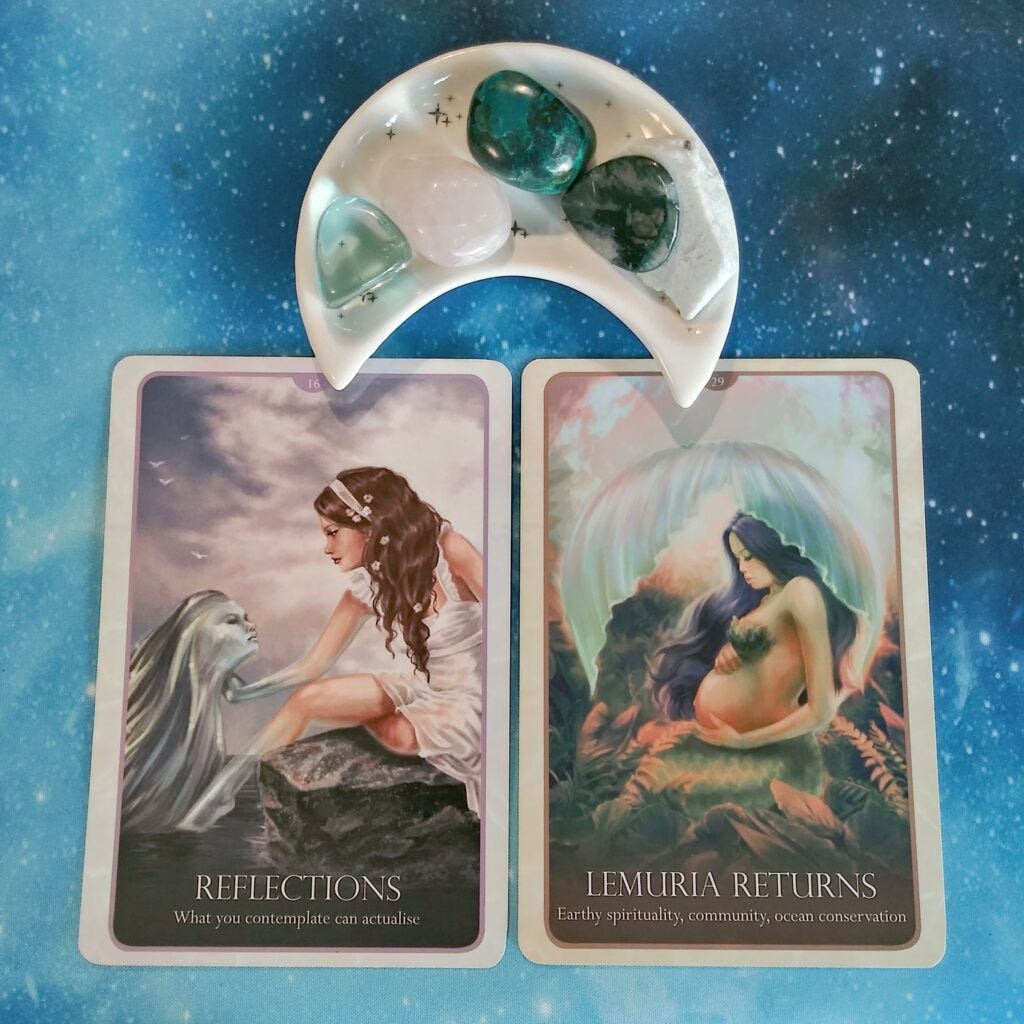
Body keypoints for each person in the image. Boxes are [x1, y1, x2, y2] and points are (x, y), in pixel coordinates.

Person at [177, 466, 484, 831]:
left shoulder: (449, 551)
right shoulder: (367, 589)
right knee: (307, 699)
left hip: (474, 695)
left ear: (371, 525)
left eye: (333, 532)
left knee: (397, 734)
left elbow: (515, 620)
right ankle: (220, 796)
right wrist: (244, 694)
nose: (327, 547)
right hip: (421, 686)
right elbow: (314, 664)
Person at [649, 512, 859, 749]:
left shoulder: (800, 590)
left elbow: (822, 710)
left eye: (748, 557)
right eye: (738, 559)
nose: (742, 568)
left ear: (771, 547)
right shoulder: (766, 600)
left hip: (752, 737)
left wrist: (745, 741)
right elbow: (774, 657)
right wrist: (733, 653)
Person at [122, 591, 259, 833]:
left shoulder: (217, 684)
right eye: (232, 621)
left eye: (245, 618)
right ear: (197, 640)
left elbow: (237, 693)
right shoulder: (149, 740)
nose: (250, 626)